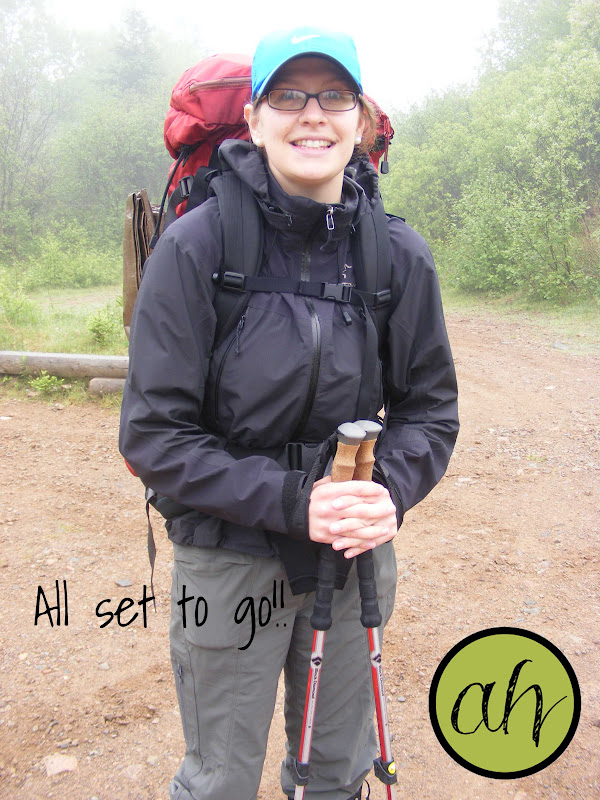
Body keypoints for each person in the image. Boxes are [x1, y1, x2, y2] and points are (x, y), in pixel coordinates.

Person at [119, 25, 459, 800]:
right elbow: (152, 434)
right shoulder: (198, 247)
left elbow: (431, 410)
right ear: (254, 119)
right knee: (220, 781)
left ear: (360, 119)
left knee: (337, 775)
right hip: (226, 550)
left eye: (333, 96)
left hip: (351, 554)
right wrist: (293, 501)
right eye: (288, 96)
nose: (313, 114)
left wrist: (388, 490)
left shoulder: (396, 255)